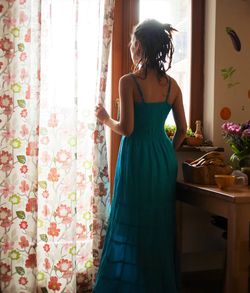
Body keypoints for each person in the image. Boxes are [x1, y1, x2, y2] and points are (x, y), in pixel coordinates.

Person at [93, 19, 187, 293]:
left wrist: (105, 118)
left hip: (136, 157)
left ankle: (129, 285)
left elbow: (127, 129)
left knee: (131, 220)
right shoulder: (172, 86)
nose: (130, 46)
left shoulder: (129, 82)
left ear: (140, 45)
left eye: (133, 41)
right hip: (162, 157)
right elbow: (182, 130)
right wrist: (167, 152)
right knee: (157, 223)